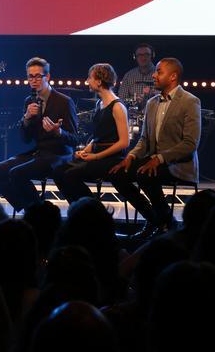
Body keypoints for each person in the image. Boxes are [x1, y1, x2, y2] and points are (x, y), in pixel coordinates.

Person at [109, 58, 200, 235]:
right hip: (153, 161)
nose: (153, 75)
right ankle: (154, 219)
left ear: (173, 76)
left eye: (159, 72)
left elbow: (190, 143)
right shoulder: (152, 103)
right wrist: (131, 156)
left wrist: (159, 159)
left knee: (145, 175)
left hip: (178, 164)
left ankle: (165, 223)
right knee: (117, 173)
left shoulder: (190, 101)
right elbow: (144, 139)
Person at [0, 57, 79, 212]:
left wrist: (58, 132)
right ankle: (31, 207)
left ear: (47, 77)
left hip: (58, 155)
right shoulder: (29, 101)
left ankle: (36, 212)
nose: (33, 80)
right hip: (37, 153)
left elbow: (75, 140)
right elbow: (25, 139)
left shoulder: (64, 101)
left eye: (38, 76)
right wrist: (26, 118)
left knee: (17, 173)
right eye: (30, 77)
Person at [52, 63, 129, 202]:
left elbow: (124, 142)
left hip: (111, 158)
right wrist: (85, 151)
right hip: (97, 154)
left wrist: (96, 156)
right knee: (58, 171)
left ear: (99, 81)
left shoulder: (117, 107)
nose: (87, 81)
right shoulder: (99, 104)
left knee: (70, 174)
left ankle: (92, 208)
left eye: (90, 78)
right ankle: (79, 208)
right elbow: (98, 137)